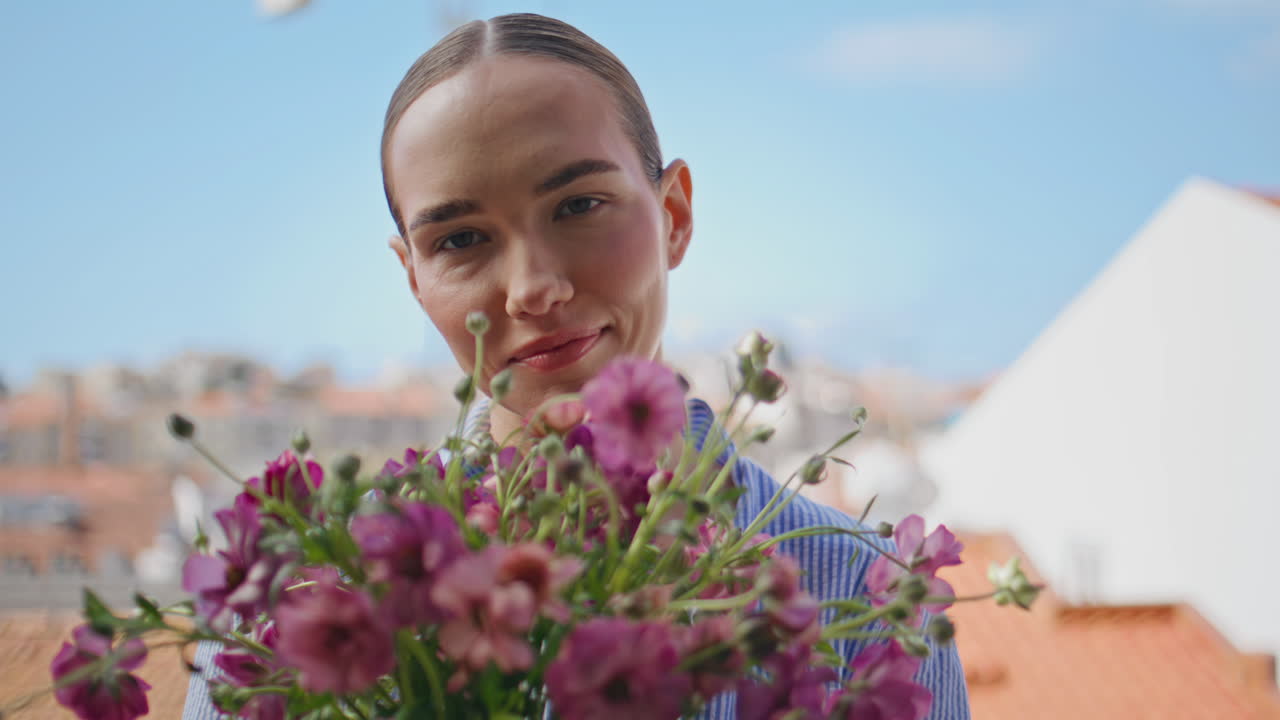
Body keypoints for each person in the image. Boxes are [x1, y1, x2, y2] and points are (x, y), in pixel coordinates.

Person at [184, 13, 970, 719]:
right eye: (460, 239)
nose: (534, 288)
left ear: (674, 215)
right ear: (413, 276)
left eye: (579, 206)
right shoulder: (295, 613)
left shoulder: (869, 602)